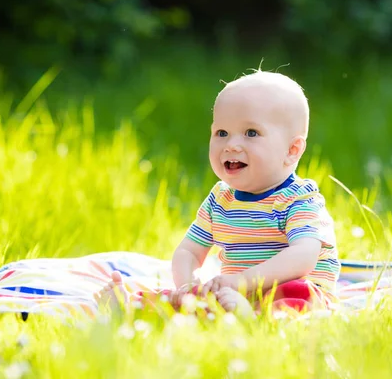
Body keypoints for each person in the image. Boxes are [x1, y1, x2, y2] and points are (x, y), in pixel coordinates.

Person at [95, 70, 339, 317]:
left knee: (299, 294)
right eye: (221, 133)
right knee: (186, 300)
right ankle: (131, 308)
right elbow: (188, 251)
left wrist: (245, 280)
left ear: (292, 150)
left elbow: (304, 255)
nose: (231, 144)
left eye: (251, 133)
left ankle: (256, 318)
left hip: (287, 291)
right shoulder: (221, 199)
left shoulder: (299, 198)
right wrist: (188, 285)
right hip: (235, 295)